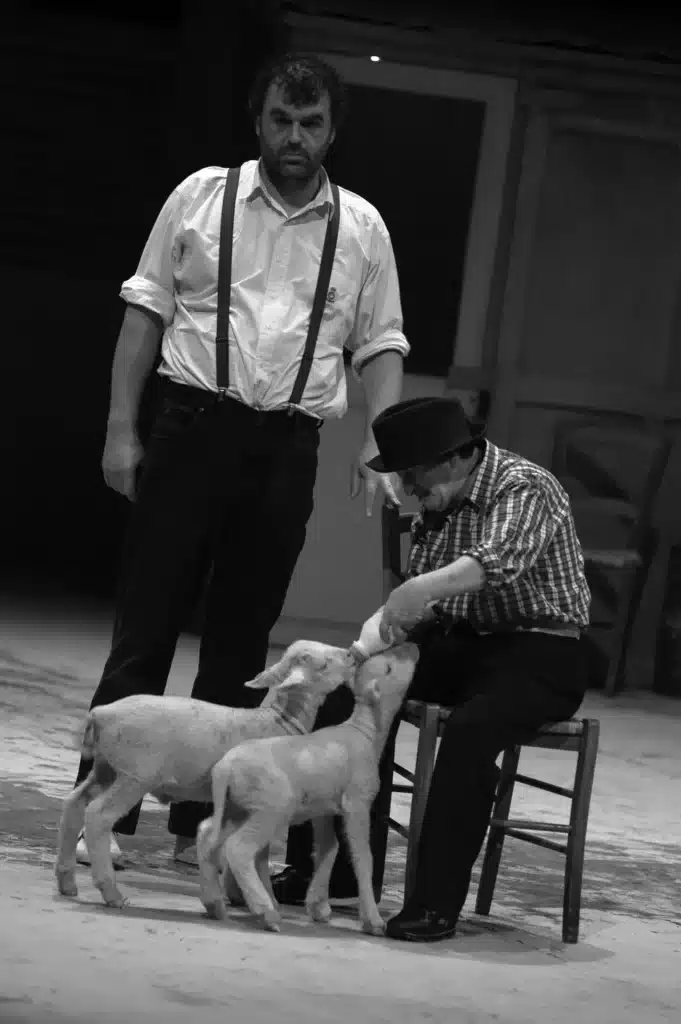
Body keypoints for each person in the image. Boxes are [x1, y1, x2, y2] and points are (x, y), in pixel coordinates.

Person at [73, 51, 409, 868]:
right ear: (257, 121)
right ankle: (100, 816)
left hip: (284, 447)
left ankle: (205, 829)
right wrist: (123, 429)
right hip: (190, 428)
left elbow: (381, 343)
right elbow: (144, 314)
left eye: (312, 124)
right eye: (281, 121)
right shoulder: (200, 197)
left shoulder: (360, 227)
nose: (295, 138)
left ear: (333, 130)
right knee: (145, 628)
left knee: (239, 642)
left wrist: (381, 436)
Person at [274, 395, 591, 941]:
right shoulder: (440, 505)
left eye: (413, 473)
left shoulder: (522, 484)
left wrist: (419, 588)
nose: (409, 488)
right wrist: (369, 648)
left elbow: (497, 562)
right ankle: (334, 870)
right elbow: (418, 610)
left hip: (543, 650)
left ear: (451, 458)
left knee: (469, 732)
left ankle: (435, 904)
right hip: (460, 643)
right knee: (345, 696)